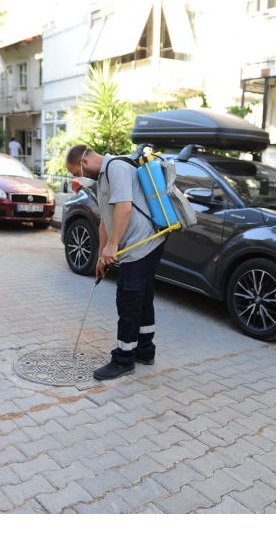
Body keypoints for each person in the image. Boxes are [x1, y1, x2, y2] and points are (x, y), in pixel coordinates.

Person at [66, 144, 166, 380]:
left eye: (77, 172)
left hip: (142, 244)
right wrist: (102, 255)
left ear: (84, 162)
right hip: (141, 244)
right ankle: (145, 351)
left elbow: (124, 208)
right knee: (143, 297)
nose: (79, 177)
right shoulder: (104, 177)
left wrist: (113, 246)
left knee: (128, 300)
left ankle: (123, 359)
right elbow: (106, 220)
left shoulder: (116, 168)